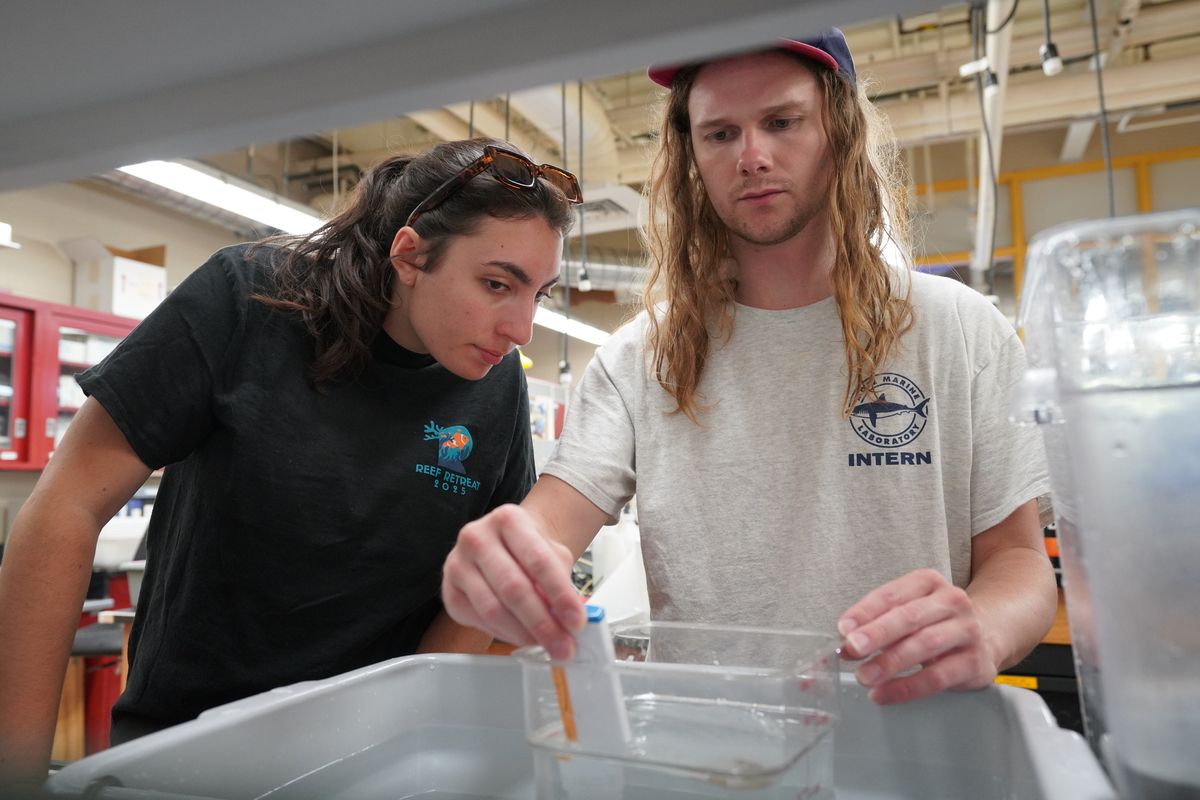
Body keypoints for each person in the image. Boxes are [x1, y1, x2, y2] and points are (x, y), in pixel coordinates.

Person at [441, 32, 1057, 706]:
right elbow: (548, 529)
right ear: (692, 157)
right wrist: (501, 563)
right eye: (720, 134)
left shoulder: (961, 330)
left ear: (839, 131)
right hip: (710, 752)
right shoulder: (640, 357)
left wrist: (986, 625)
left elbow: (1021, 563)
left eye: (782, 122)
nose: (752, 157)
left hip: (913, 740)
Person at [0, 138, 579, 787]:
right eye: (497, 284)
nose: (521, 328)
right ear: (411, 255)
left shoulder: (496, 385)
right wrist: (15, 774)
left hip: (367, 765)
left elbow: (472, 597)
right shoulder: (246, 298)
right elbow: (66, 505)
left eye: (540, 294)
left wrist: (407, 740)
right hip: (190, 753)